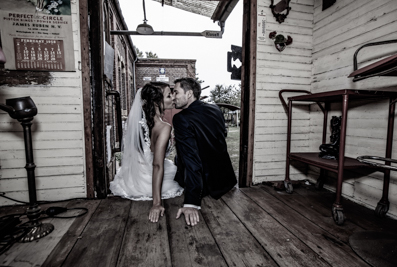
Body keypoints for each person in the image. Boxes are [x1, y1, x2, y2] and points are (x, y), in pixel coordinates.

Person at [110, 82, 184, 223]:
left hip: (133, 179)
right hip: (152, 180)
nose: (173, 98)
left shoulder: (138, 123)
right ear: (157, 102)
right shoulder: (164, 127)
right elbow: (157, 165)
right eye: (169, 95)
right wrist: (156, 204)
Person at [172, 78, 237, 226]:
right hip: (226, 180)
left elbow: (191, 159)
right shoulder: (215, 109)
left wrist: (191, 202)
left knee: (179, 160)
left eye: (176, 92)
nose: (173, 96)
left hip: (205, 185)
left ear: (189, 94)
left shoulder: (181, 118)